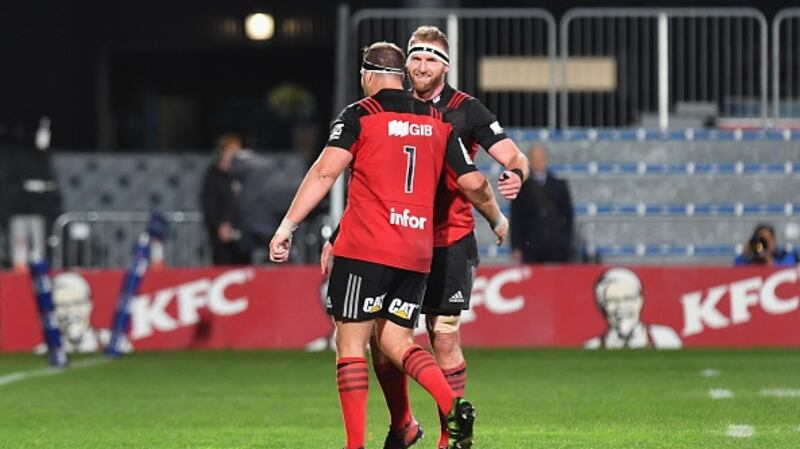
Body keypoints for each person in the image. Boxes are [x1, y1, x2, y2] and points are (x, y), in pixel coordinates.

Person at [269, 42, 507, 449]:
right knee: (397, 342)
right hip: (416, 253)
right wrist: (497, 218)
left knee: (350, 344)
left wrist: (288, 225)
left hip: (365, 248)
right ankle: (452, 406)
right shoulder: (438, 120)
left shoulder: (361, 114)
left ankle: (355, 445)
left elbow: (326, 173)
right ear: (402, 75)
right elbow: (473, 183)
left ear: (368, 75)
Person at [584, 268, 682, 349]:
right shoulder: (592, 347)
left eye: (628, 298)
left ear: (640, 301)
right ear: (601, 305)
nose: (621, 307)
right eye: (612, 301)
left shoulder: (665, 338)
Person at [510, 144, 574, 264]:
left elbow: (568, 216)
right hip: (530, 245)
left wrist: (566, 241)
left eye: (540, 158)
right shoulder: (521, 187)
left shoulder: (559, 185)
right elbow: (515, 218)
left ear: (546, 159)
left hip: (556, 244)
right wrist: (516, 247)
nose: (538, 162)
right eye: (534, 158)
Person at [200, 134, 248, 265]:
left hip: (242, 235)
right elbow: (209, 202)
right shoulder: (214, 175)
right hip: (221, 238)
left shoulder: (243, 175)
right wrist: (219, 225)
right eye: (231, 151)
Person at [734, 224, 798, 266]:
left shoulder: (784, 255)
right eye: (761, 241)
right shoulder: (749, 259)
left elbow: (787, 271)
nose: (763, 244)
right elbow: (735, 269)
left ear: (774, 241)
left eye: (767, 240)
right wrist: (745, 253)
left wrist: (768, 258)